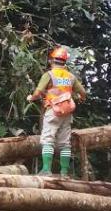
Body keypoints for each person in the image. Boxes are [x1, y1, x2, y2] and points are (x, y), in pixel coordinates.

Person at [26, 46, 87, 177]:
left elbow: (38, 92)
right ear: (65, 62)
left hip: (53, 111)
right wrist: (81, 98)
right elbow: (82, 92)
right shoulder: (70, 76)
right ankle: (64, 172)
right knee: (65, 142)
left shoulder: (49, 75)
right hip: (67, 113)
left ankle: (46, 170)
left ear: (52, 60)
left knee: (48, 138)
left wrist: (32, 98)